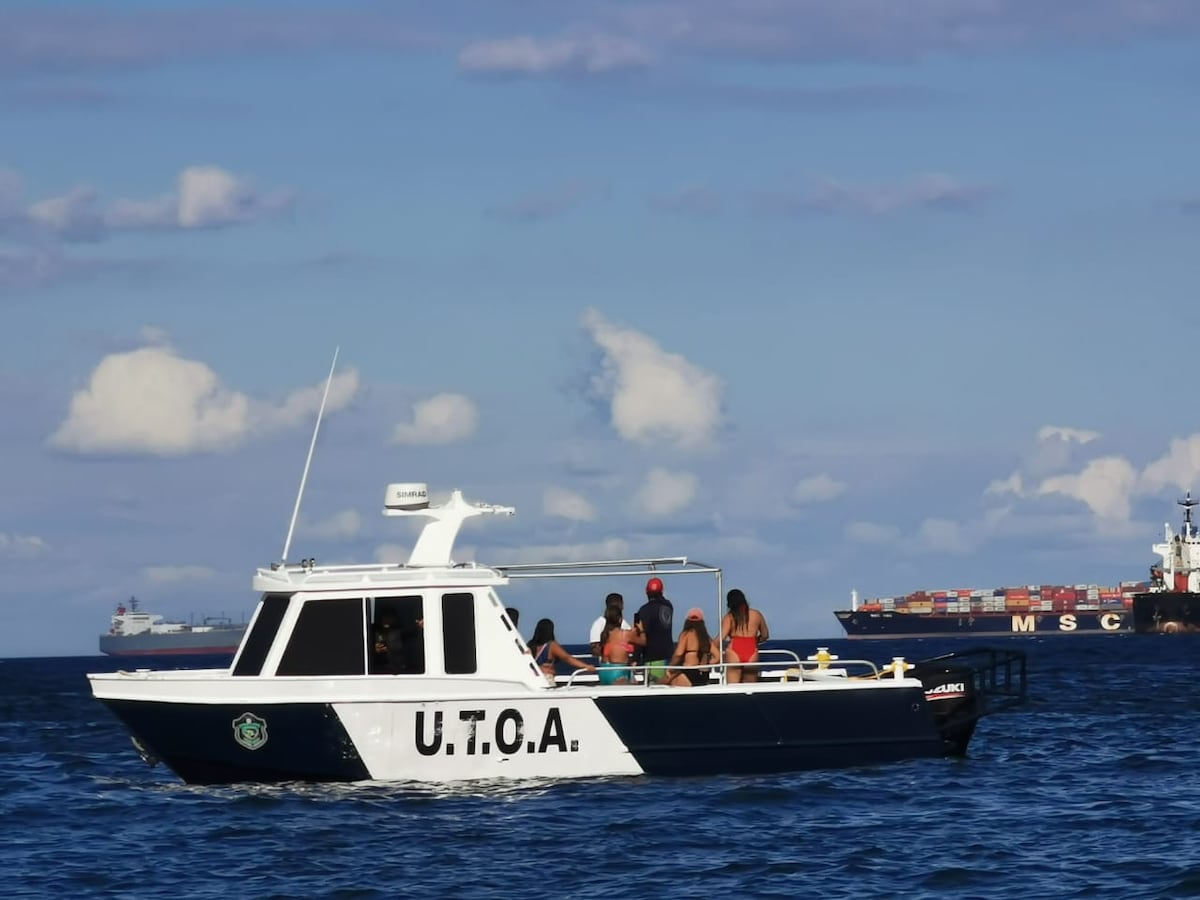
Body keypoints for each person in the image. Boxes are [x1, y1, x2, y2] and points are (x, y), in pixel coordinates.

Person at [721, 588, 769, 684]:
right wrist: (755, 641)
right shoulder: (757, 614)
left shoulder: (729, 617)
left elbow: (721, 638)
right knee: (749, 689)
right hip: (751, 648)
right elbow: (765, 635)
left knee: (733, 689)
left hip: (734, 649)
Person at [528, 618, 596, 685]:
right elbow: (567, 658)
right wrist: (586, 666)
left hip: (532, 679)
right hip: (545, 679)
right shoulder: (552, 645)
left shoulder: (530, 645)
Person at [664, 608, 720, 687]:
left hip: (689, 674)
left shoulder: (686, 635)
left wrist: (670, 668)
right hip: (703, 675)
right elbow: (717, 657)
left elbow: (678, 654)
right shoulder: (706, 638)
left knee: (665, 681)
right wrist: (707, 664)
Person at [634, 577, 675, 683]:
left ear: (647, 593)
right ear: (661, 592)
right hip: (669, 657)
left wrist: (635, 659)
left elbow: (638, 638)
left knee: (655, 686)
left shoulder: (643, 611)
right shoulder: (668, 606)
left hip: (653, 659)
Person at [597, 603, 645, 685]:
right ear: (620, 619)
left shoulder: (604, 634)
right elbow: (643, 642)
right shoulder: (625, 634)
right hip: (618, 672)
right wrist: (641, 630)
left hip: (603, 671)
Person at [590, 592, 628, 658]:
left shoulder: (624, 624)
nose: (623, 607)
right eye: (622, 604)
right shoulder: (599, 623)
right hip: (607, 665)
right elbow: (595, 650)